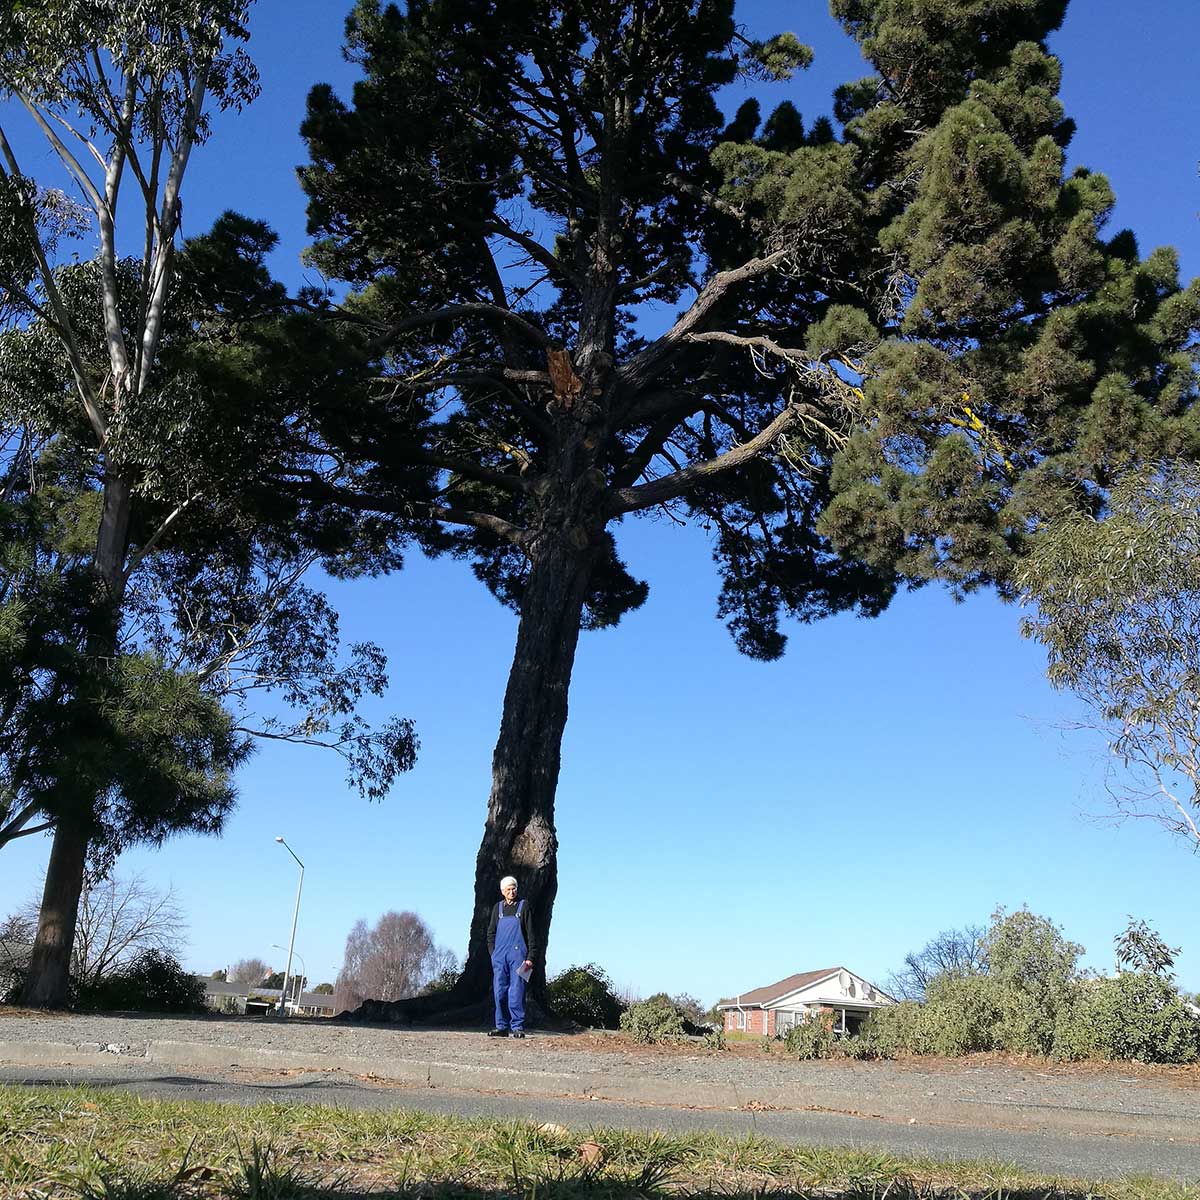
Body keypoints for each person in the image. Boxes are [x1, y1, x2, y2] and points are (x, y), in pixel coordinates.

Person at [487, 875, 536, 1038]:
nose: (512, 891)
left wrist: (531, 956)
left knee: (517, 990)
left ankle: (517, 1026)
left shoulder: (524, 906)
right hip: (499, 956)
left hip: (518, 956)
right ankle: (501, 1026)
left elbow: (530, 933)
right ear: (502, 891)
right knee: (499, 990)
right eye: (508, 889)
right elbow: (491, 933)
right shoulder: (497, 909)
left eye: (514, 888)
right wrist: (493, 953)